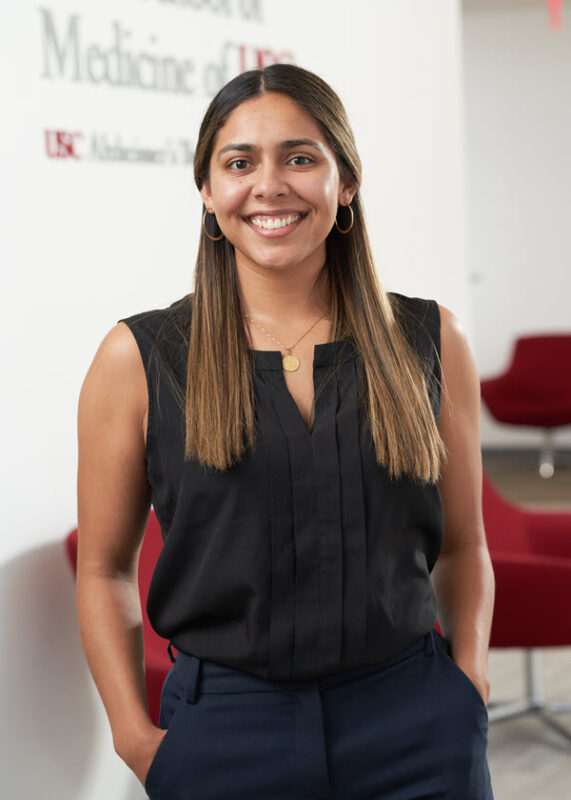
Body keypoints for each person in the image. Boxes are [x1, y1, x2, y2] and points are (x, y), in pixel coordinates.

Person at [76, 63, 495, 799]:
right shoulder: (138, 358)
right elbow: (104, 570)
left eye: (299, 158)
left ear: (345, 183)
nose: (269, 186)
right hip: (227, 734)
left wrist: (469, 687)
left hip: (416, 726)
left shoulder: (430, 340)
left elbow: (463, 545)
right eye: (239, 163)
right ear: (208, 192)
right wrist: (135, 740)